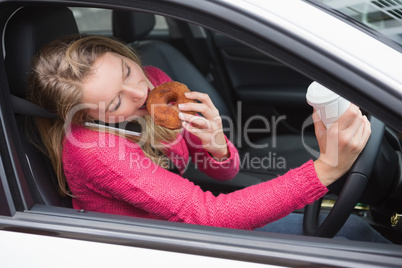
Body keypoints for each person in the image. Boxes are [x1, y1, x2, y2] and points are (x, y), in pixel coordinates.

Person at [28, 35, 388, 243]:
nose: (139, 92)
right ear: (91, 116)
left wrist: (215, 143)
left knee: (351, 228)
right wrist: (325, 170)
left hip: (185, 223)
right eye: (114, 102)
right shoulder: (94, 150)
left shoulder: (155, 78)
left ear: (124, 54)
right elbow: (207, 215)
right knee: (350, 234)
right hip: (153, 246)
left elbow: (224, 173)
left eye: (126, 71)